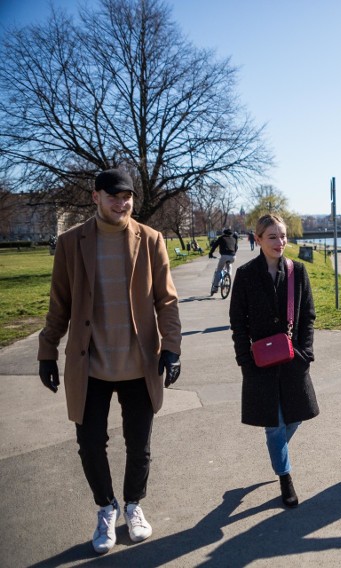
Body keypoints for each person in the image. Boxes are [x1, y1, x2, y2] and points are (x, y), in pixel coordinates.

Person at [37, 168, 182, 554]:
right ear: (95, 197)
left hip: (139, 364)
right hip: (91, 366)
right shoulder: (71, 242)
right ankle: (106, 507)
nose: (123, 203)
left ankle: (134, 505)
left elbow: (166, 300)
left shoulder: (150, 239)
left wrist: (172, 347)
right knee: (89, 444)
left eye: (128, 196)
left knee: (140, 445)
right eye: (114, 196)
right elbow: (59, 304)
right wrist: (47, 351)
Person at [229, 214, 319, 507]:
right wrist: (244, 359)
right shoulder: (244, 274)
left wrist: (305, 353)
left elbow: (308, 316)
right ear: (257, 240)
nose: (280, 242)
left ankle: (277, 450)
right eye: (272, 237)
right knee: (274, 424)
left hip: (293, 359)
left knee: (295, 418)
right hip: (261, 362)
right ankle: (285, 478)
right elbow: (237, 321)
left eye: (283, 236)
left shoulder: (298, 271)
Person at [209, 228, 238, 295]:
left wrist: (211, 253)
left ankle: (215, 288)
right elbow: (236, 248)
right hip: (233, 256)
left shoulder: (221, 238)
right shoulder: (233, 238)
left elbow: (214, 246)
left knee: (219, 270)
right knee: (229, 265)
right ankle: (228, 278)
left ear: (224, 233)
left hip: (224, 256)